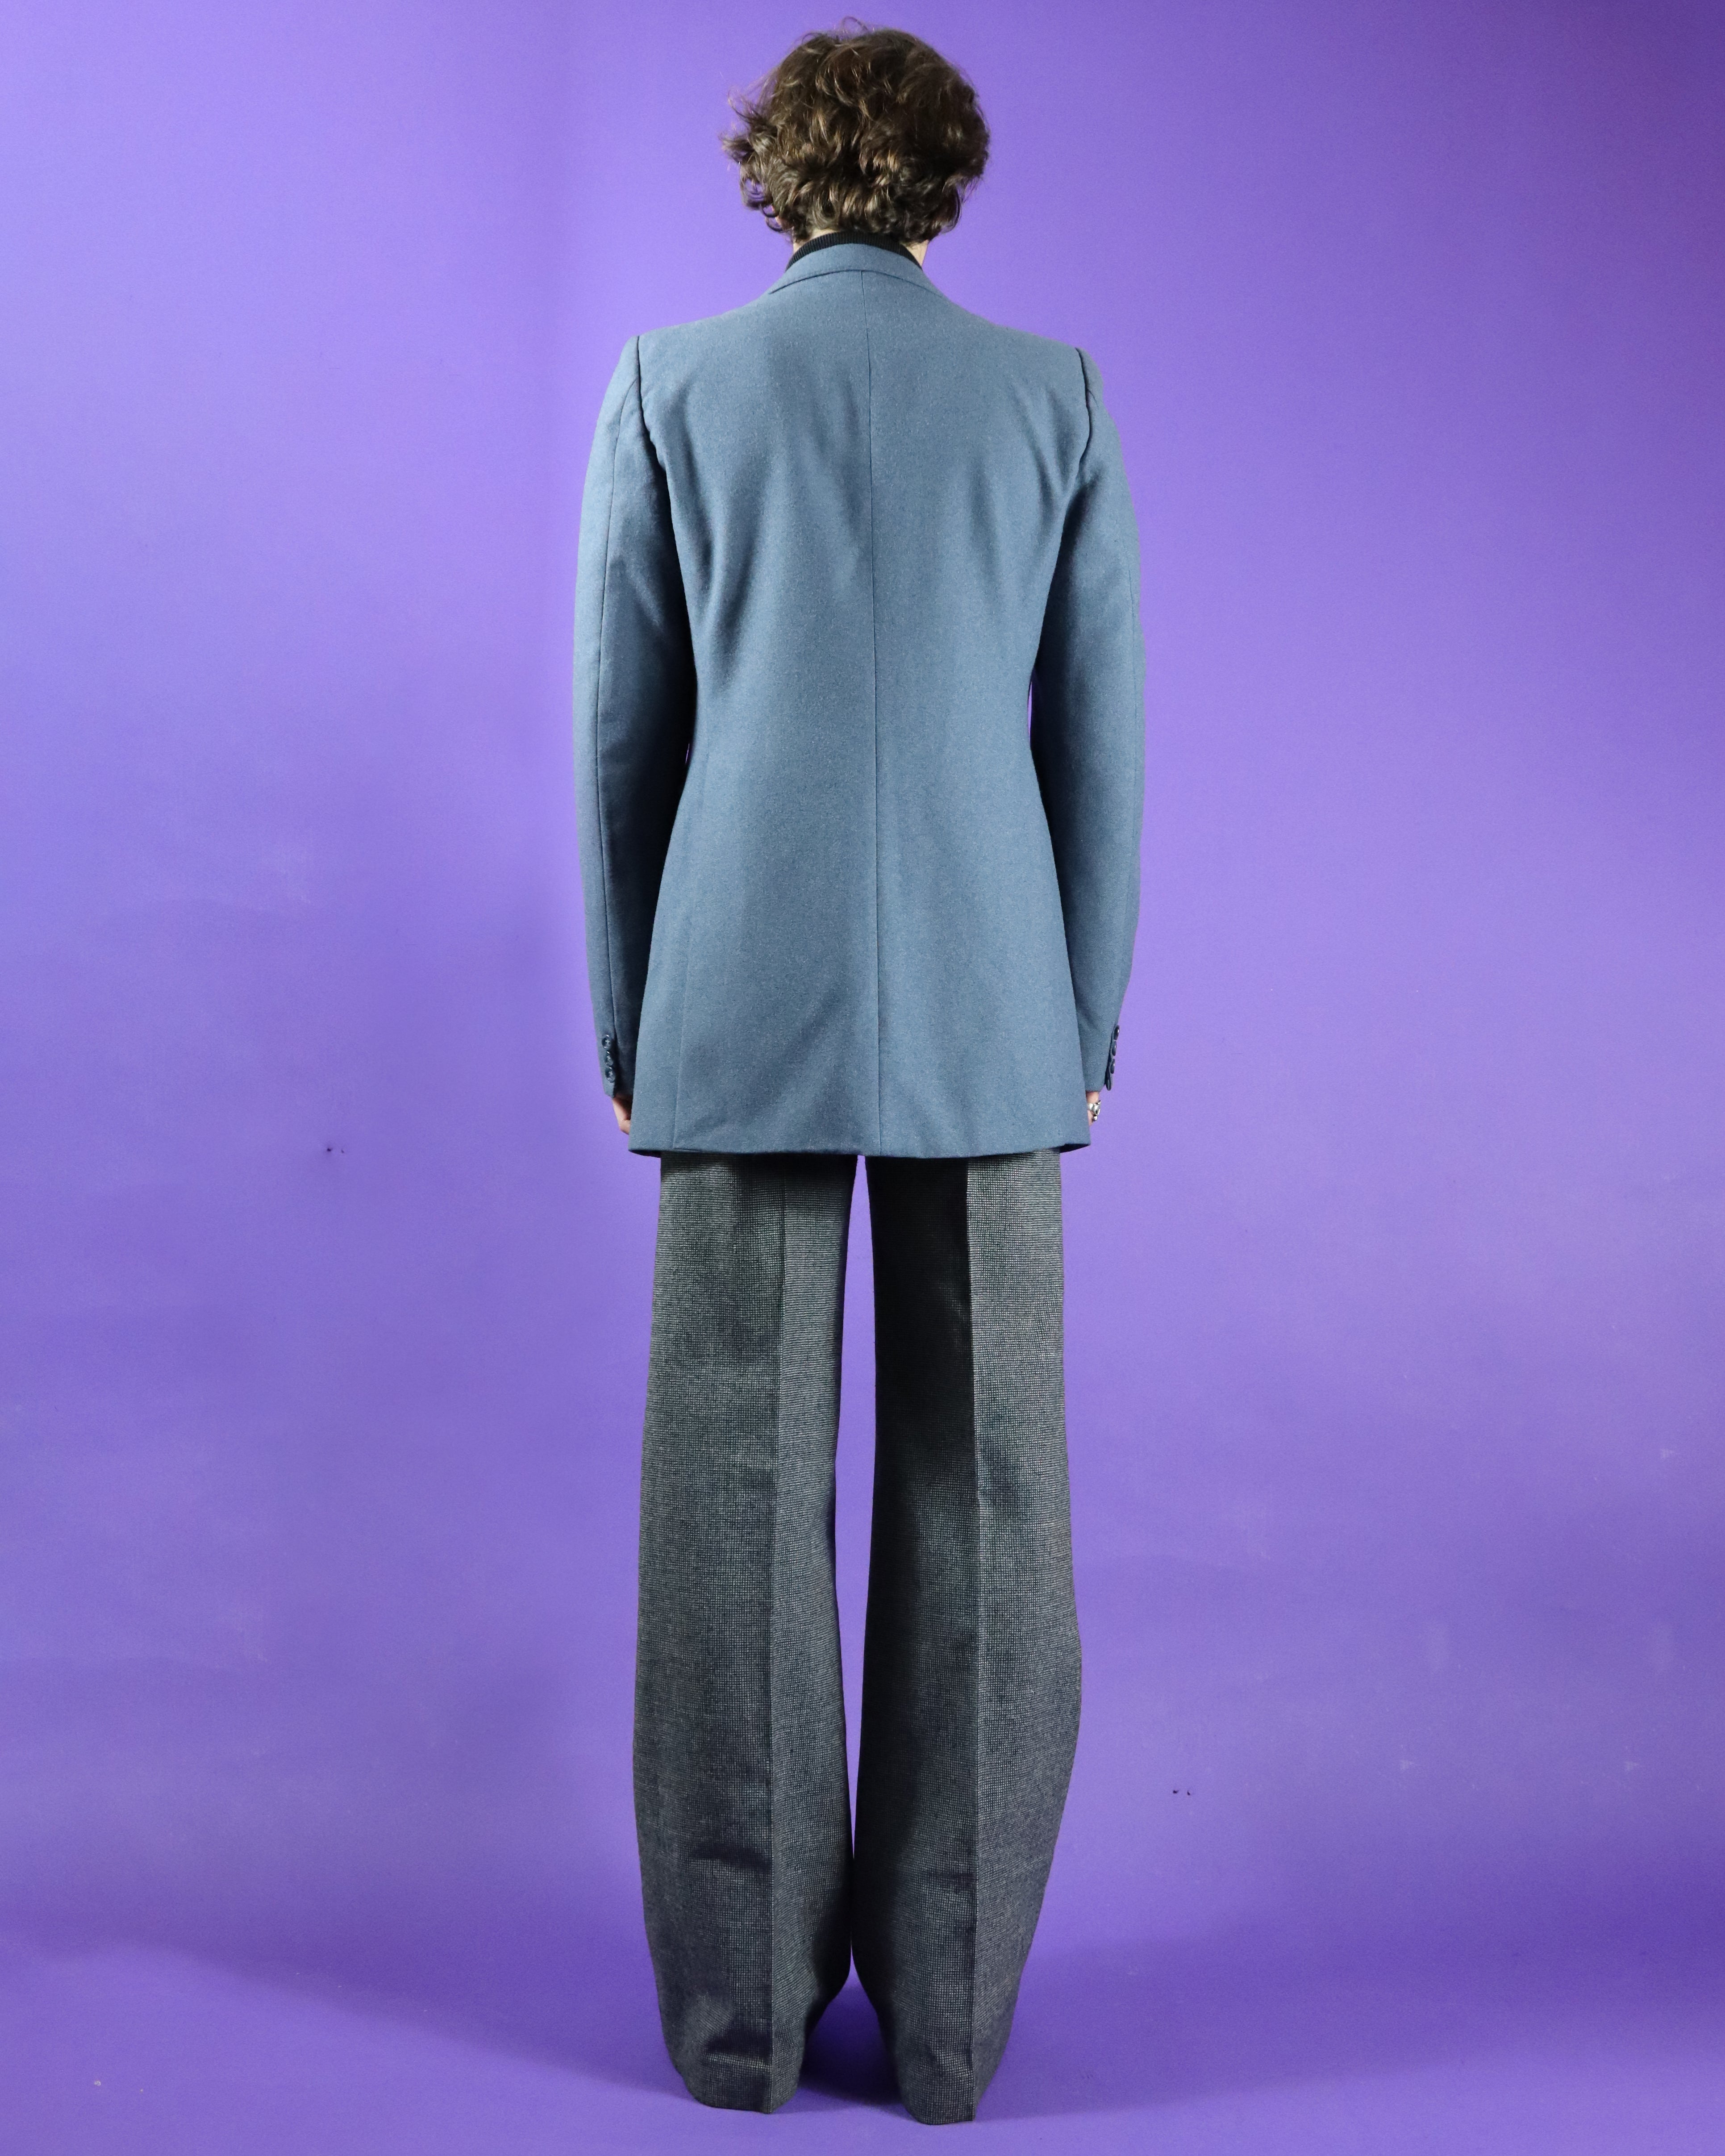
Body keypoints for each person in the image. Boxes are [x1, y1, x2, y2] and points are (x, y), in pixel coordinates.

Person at [571, 22, 1144, 2126]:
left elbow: (623, 737)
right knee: (994, 1499)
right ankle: (956, 2021)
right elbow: (1100, 741)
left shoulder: (670, 384)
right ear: (943, 180)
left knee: (730, 1502)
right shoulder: (1052, 395)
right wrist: (1082, 1017)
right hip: (994, 1002)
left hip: (739, 998)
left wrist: (634, 1020)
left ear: (776, 177)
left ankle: (737, 2019)